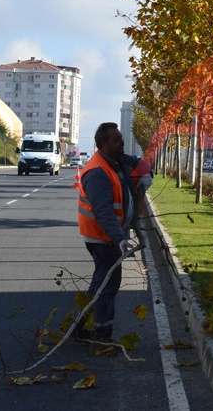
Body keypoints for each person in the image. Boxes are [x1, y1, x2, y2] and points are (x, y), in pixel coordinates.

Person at [74, 122, 151, 342]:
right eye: (116, 139)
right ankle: (102, 334)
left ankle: (81, 326)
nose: (122, 141)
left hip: (110, 236)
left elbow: (139, 164)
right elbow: (103, 212)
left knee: (101, 284)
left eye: (120, 138)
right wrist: (119, 239)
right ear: (103, 144)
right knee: (107, 286)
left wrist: (146, 174)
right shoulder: (98, 172)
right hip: (102, 237)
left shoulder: (116, 161)